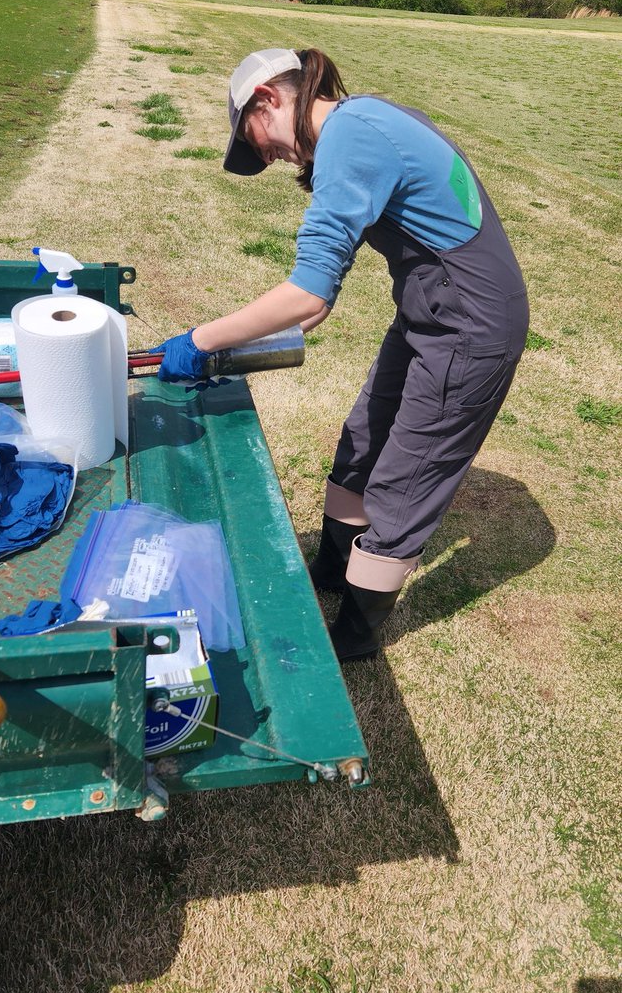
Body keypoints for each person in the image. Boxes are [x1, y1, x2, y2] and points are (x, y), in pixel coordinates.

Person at [154, 47, 529, 662]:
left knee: (403, 480)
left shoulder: (351, 136)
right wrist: (265, 330)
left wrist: (201, 340)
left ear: (269, 97)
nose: (267, 157)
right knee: (362, 436)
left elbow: (306, 294)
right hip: (431, 306)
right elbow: (316, 297)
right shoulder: (363, 121)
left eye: (259, 142)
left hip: (472, 324)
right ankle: (330, 571)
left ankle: (352, 639)